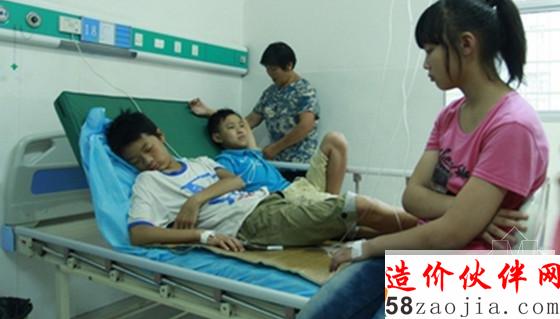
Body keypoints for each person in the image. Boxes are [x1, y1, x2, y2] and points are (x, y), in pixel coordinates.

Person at [297, 0, 549, 319]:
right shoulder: (449, 116)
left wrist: (363, 247)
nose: (425, 63)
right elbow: (412, 197)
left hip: (477, 273)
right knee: (317, 313)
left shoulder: (512, 126)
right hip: (424, 250)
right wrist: (472, 215)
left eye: (430, 50)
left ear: (466, 44)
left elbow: (451, 234)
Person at [105, 111, 417, 252]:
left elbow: (236, 182)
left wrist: (195, 200)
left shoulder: (199, 163)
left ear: (160, 136)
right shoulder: (149, 182)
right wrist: (203, 235)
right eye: (136, 160)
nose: (147, 161)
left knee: (360, 229)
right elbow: (139, 234)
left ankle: (437, 239)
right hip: (251, 223)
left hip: (269, 201)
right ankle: (439, 231)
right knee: (359, 207)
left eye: (148, 149)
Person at [189, 41, 320, 164]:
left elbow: (306, 126)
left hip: (298, 163)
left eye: (274, 69)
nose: (270, 74)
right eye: (267, 69)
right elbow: (249, 121)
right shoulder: (270, 93)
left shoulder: (304, 91)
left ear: (289, 66)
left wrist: (275, 148)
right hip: (275, 163)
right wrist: (210, 112)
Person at [208, 108, 347, 199]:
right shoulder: (225, 161)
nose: (240, 130)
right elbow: (232, 189)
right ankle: (333, 207)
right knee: (352, 207)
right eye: (231, 127)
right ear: (217, 137)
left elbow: (244, 124)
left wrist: (209, 111)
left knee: (335, 139)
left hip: (300, 186)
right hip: (283, 198)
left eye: (241, 126)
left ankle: (333, 202)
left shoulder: (252, 153)